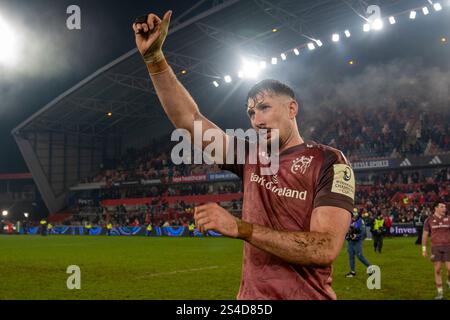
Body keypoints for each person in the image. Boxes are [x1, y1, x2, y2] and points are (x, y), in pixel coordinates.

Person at [132, 11, 355, 300]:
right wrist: (154, 60)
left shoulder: (330, 162)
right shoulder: (250, 155)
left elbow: (323, 248)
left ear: (292, 109)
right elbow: (189, 118)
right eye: (251, 112)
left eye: (264, 108)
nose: (256, 120)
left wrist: (240, 228)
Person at [422, 201, 449, 300]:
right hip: (435, 248)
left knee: (449, 269)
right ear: (436, 208)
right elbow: (424, 235)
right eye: (442, 207)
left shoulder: (448, 219)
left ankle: (449, 281)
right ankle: (440, 293)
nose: (444, 209)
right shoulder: (429, 220)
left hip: (448, 246)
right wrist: (424, 249)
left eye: (445, 207)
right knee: (437, 270)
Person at [345, 209, 372, 278]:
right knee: (351, 256)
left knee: (360, 256)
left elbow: (363, 232)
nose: (353, 216)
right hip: (350, 241)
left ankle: (371, 267)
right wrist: (347, 235)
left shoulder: (360, 221)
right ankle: (352, 272)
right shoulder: (349, 220)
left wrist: (356, 236)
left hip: (357, 241)